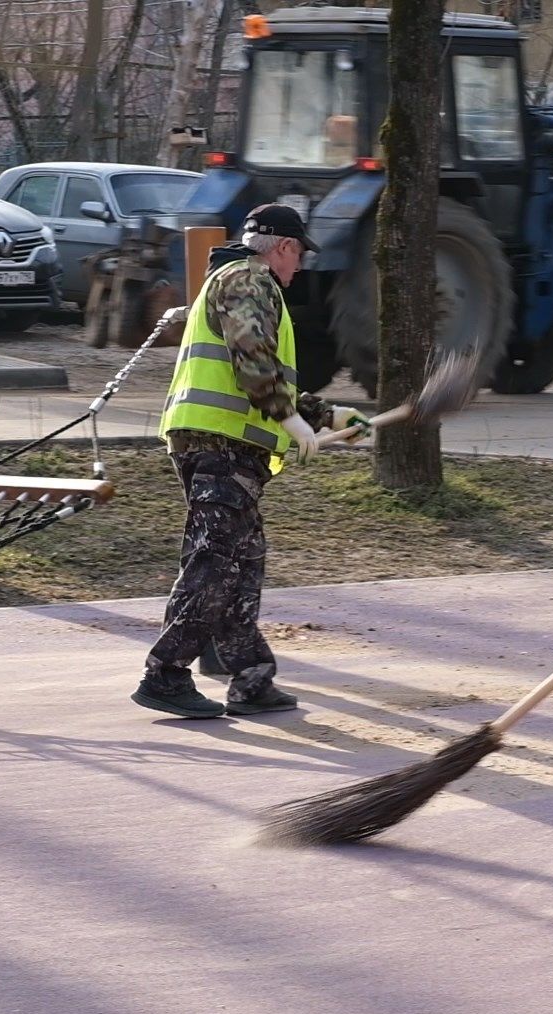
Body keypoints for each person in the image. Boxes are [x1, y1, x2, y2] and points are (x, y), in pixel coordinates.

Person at [131, 204, 368, 720]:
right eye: (300, 253)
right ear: (283, 246)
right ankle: (166, 674)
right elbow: (253, 363)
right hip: (219, 445)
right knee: (215, 562)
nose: (301, 266)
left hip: (226, 444)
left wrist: (327, 416)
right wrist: (291, 421)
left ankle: (251, 678)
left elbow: (266, 373)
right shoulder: (248, 279)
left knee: (241, 563)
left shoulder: (244, 281)